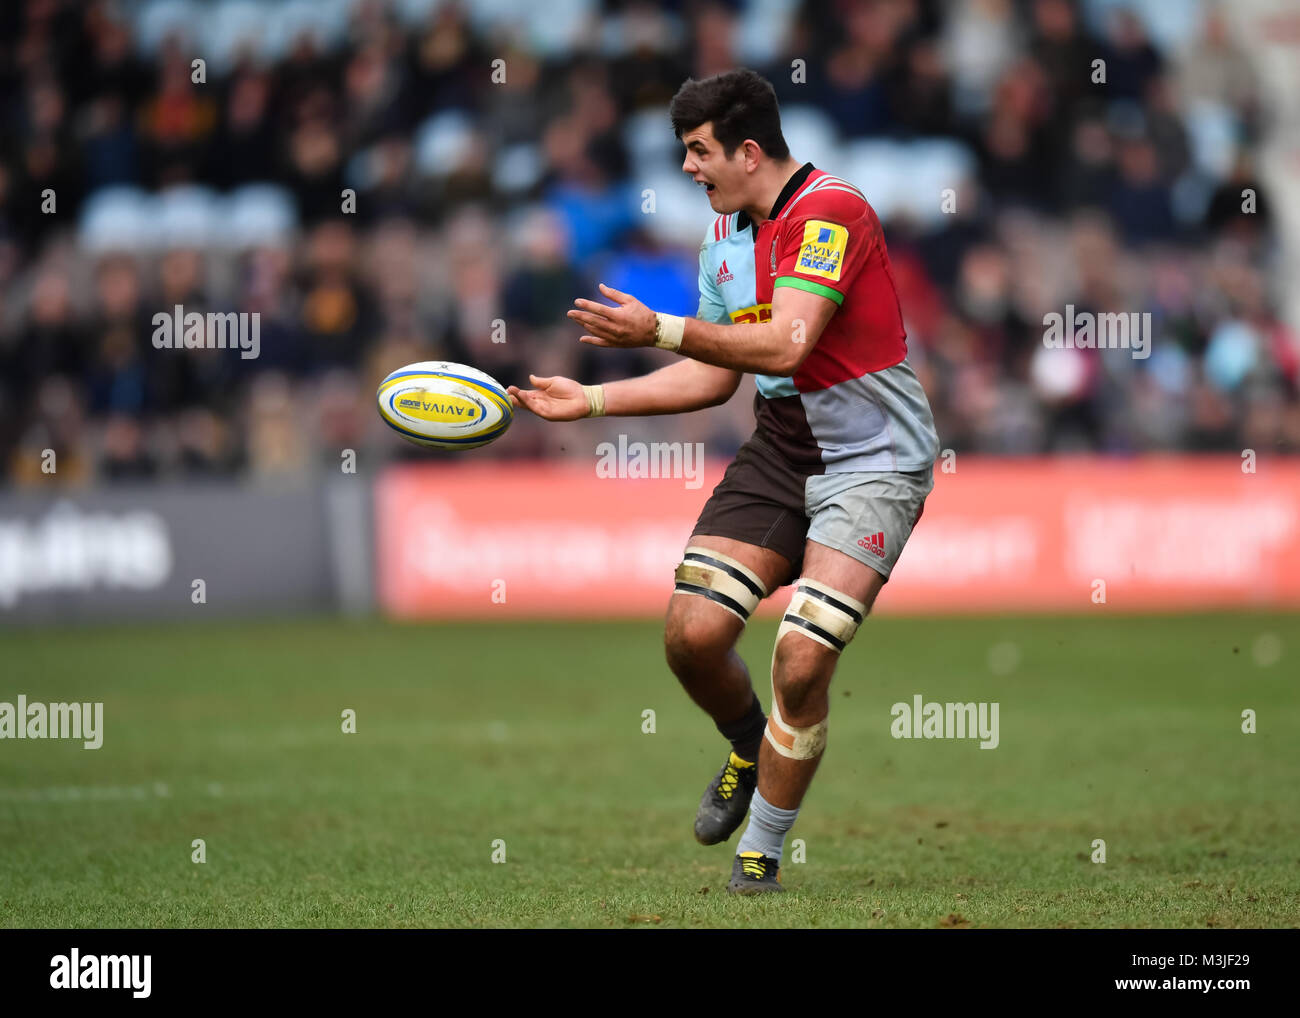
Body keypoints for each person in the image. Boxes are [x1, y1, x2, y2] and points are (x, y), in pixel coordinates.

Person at [508, 68, 939, 894]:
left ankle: (762, 855)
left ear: (748, 151)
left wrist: (659, 327)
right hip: (781, 448)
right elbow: (712, 380)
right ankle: (748, 741)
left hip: (874, 458)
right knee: (691, 636)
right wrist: (592, 400)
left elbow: (784, 346)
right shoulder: (722, 240)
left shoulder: (832, 213)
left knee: (802, 660)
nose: (687, 169)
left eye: (698, 151)